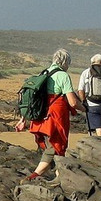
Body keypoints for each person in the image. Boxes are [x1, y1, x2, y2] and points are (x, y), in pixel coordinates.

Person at [16, 48, 82, 181]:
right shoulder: (63, 76)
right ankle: (34, 176)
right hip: (55, 117)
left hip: (41, 117)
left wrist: (23, 119)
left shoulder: (44, 73)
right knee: (55, 146)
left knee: (53, 148)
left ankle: (59, 177)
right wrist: (85, 109)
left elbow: (32, 99)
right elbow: (73, 102)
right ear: (65, 62)